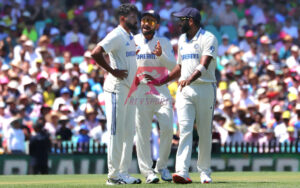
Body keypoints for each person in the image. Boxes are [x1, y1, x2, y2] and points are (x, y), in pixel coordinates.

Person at [146, 7, 218, 184]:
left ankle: (204, 171)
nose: (179, 23)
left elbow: (204, 65)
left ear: (191, 21)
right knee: (184, 130)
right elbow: (180, 66)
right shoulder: (182, 40)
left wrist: (189, 79)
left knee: (203, 132)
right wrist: (162, 81)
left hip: (205, 88)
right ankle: (182, 171)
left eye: (182, 20)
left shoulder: (208, 38)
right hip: (185, 91)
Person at [91, 3, 141, 185]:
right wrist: (112, 70)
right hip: (116, 89)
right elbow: (95, 53)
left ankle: (123, 172)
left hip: (129, 89)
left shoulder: (129, 36)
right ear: (123, 18)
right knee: (116, 132)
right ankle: (113, 176)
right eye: (133, 17)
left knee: (128, 133)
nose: (136, 20)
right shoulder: (116, 34)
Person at [133, 10, 176, 183]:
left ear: (156, 25)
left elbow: (174, 67)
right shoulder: (133, 41)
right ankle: (148, 172)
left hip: (161, 89)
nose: (145, 23)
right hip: (141, 90)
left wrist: (161, 55)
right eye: (143, 20)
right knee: (142, 134)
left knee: (167, 128)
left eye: (150, 21)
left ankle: (162, 166)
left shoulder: (164, 41)